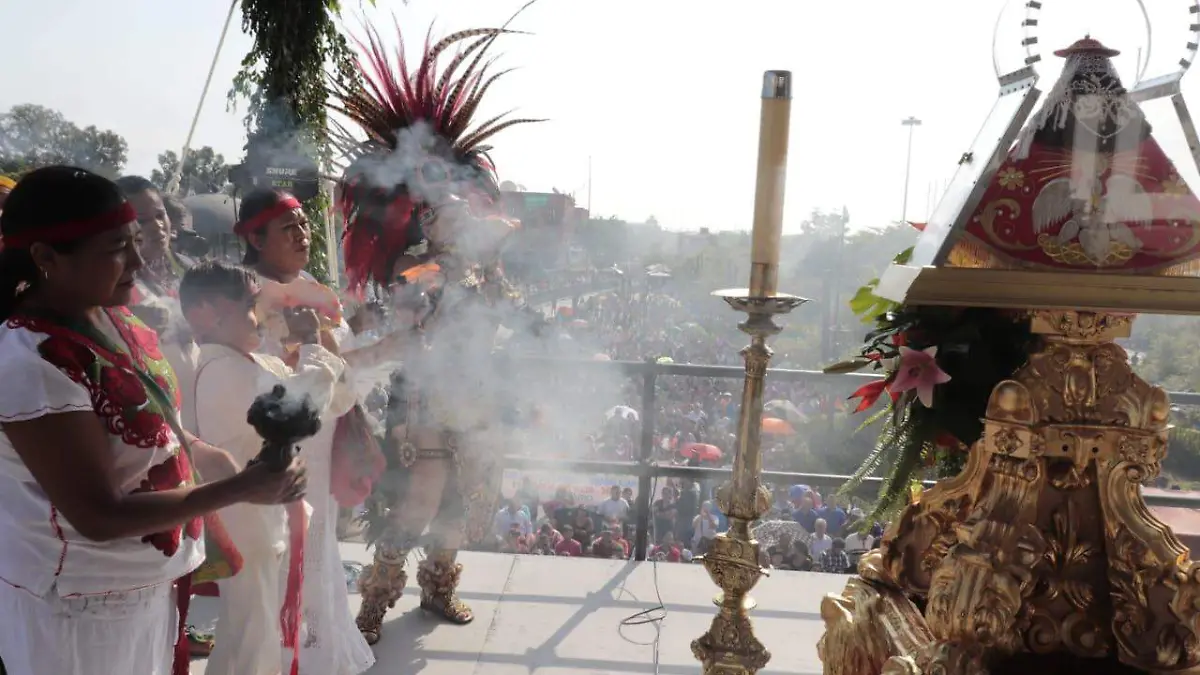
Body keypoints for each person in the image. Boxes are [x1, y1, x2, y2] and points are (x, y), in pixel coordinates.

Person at [0, 166, 305, 675]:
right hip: (79, 608)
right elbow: (98, 514)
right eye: (117, 248)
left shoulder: (113, 317)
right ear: (46, 257)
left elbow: (150, 420)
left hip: (144, 586)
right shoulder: (31, 360)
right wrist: (238, 489)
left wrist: (205, 454)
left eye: (136, 242)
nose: (138, 262)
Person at [334, 18, 541, 645]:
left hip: (477, 398)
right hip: (425, 399)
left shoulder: (488, 271)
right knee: (419, 500)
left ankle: (440, 586)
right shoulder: (415, 268)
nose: (464, 214)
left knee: (464, 501)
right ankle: (374, 603)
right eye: (449, 211)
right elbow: (409, 323)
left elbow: (508, 325)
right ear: (427, 222)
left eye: (466, 207)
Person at [231, 190, 379, 675]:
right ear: (256, 239)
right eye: (288, 227)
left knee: (318, 544)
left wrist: (340, 338)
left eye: (303, 224)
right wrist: (310, 343)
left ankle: (318, 651)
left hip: (323, 429)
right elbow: (260, 373)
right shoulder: (246, 295)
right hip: (280, 439)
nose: (302, 234)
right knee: (284, 551)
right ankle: (285, 657)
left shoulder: (311, 285)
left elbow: (340, 361)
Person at [180, 260, 348, 675]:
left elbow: (335, 398)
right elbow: (304, 407)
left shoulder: (248, 362)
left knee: (254, 630)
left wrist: (310, 347)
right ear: (209, 313)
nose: (259, 317)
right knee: (253, 633)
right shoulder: (221, 369)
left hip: (261, 516)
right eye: (249, 306)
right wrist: (310, 342)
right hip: (245, 520)